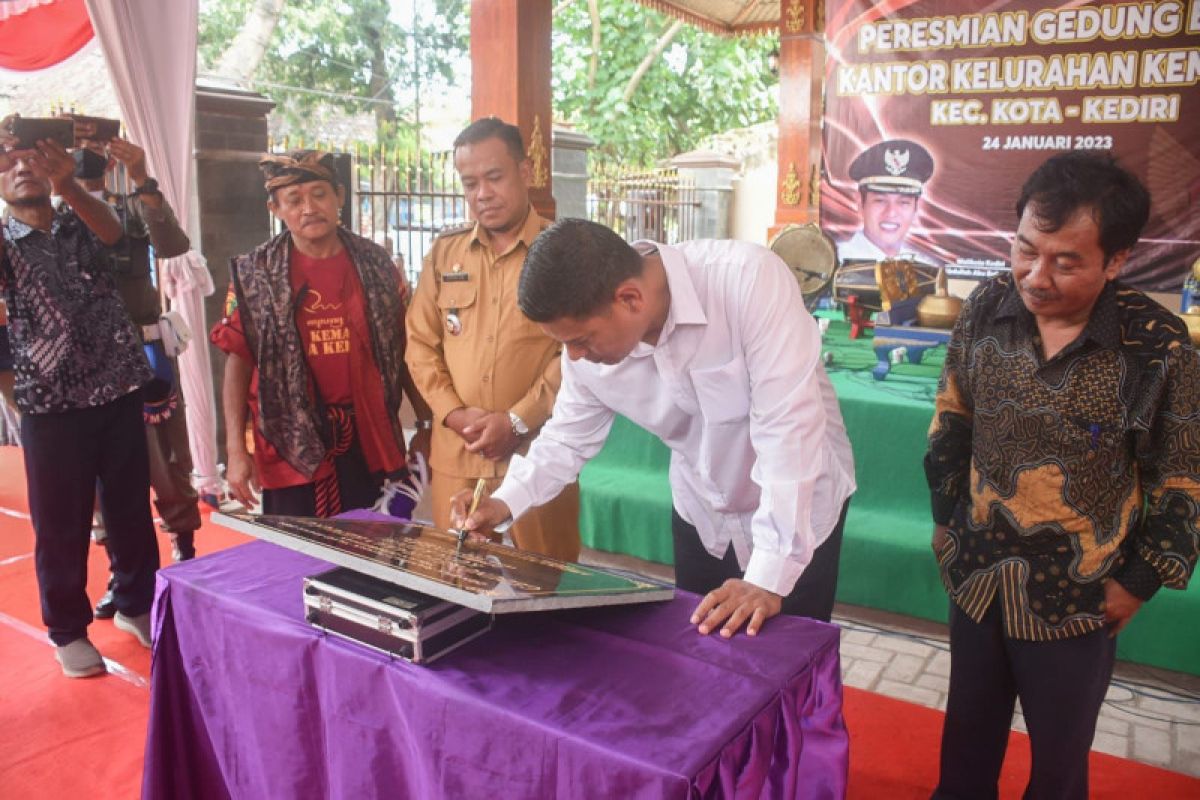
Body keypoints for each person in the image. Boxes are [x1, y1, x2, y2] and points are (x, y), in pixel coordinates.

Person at [924, 151, 1199, 799]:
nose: (1035, 275)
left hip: (1080, 599)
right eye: (1025, 249)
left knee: (1058, 762)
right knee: (966, 737)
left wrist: (1137, 582)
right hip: (979, 575)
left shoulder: (1155, 347)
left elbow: (1183, 474)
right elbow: (951, 419)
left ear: (1118, 259)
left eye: (1066, 260)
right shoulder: (988, 306)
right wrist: (945, 523)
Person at [454, 219, 857, 636]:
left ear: (629, 299)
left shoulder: (746, 281)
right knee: (704, 659)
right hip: (704, 511)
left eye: (582, 340)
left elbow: (788, 433)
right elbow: (565, 438)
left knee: (790, 666)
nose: (573, 357)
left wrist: (767, 578)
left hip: (798, 509)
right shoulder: (584, 353)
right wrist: (502, 504)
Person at [0, 126, 159, 678]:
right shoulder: (4, 240)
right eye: (9, 164)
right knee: (61, 524)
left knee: (131, 510)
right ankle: (67, 629)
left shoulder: (81, 216)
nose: (21, 169)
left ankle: (137, 604)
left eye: (31, 159)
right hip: (50, 403)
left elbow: (117, 235)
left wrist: (71, 188)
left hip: (117, 386)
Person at [211, 149, 430, 517]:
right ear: (275, 209)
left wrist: (425, 424)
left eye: (319, 194)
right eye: (294, 200)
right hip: (289, 442)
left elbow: (405, 349)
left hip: (367, 437)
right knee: (297, 560)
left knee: (369, 556)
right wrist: (236, 450)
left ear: (339, 197)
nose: (309, 208)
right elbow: (238, 363)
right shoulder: (255, 274)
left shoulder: (377, 265)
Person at [405, 118, 582, 561]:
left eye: (494, 177)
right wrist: (454, 413)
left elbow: (577, 350)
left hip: (537, 454)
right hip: (459, 453)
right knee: (460, 580)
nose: (482, 193)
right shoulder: (446, 254)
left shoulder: (563, 253)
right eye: (470, 183)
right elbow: (420, 344)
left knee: (546, 585)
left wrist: (518, 419)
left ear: (525, 173)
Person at [73, 133, 205, 619]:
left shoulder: (129, 206)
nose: (81, 158)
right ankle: (122, 573)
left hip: (143, 353)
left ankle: (184, 554)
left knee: (164, 463)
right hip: (87, 365)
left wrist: (145, 179)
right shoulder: (51, 219)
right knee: (100, 479)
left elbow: (173, 244)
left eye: (88, 150)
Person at [837, 138, 939, 265]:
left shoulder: (925, 270)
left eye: (903, 203)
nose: (891, 213)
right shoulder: (835, 264)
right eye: (880, 201)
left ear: (916, 208)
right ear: (860, 203)